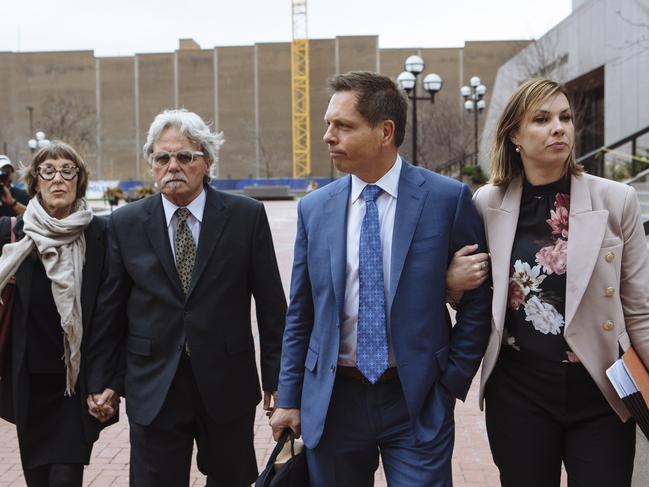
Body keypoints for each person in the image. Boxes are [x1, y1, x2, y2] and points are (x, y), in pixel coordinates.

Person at [270, 71, 492, 486]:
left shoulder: (446, 200)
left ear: (385, 131)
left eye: (343, 126)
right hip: (334, 401)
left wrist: (450, 385)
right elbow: (301, 312)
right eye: (327, 125)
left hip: (416, 399)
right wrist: (289, 397)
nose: (328, 136)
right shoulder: (315, 209)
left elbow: (479, 301)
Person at [455, 78, 649, 486]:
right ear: (514, 137)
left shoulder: (616, 200)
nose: (558, 127)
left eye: (565, 117)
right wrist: (452, 283)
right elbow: (473, 295)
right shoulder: (487, 203)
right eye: (542, 119)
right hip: (518, 390)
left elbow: (640, 309)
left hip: (601, 389)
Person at [86, 109, 287, 487]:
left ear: (207, 162)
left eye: (185, 156)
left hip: (227, 382)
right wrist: (103, 379)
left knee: (232, 479)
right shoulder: (125, 223)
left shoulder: (246, 216)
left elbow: (273, 306)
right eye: (162, 157)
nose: (172, 165)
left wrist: (277, 377)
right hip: (153, 385)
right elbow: (110, 310)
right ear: (151, 165)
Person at [0, 142, 116, 487]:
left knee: (65, 476)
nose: (58, 179)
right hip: (29, 384)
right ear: (35, 182)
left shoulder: (99, 234)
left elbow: (111, 314)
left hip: (74, 385)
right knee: (38, 479)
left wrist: (109, 381)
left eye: (68, 171)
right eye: (47, 171)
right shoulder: (15, 235)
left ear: (79, 181)